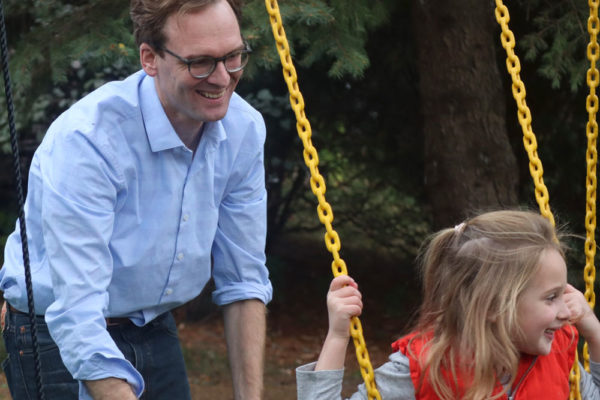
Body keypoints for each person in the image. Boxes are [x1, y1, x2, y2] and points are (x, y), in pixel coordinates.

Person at [0, 0, 272, 399]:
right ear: (150, 58)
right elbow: (76, 311)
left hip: (154, 325)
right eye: (200, 62)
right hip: (52, 332)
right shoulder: (88, 140)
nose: (221, 78)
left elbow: (244, 280)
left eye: (233, 57)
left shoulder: (243, 128)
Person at [296, 210, 600, 399]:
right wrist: (337, 337)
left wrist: (594, 333)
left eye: (564, 293)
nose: (567, 310)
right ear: (494, 306)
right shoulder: (424, 367)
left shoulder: (561, 353)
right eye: (551, 297)